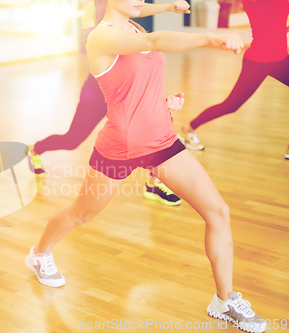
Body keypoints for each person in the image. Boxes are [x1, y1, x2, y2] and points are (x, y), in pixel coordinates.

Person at [25, 0, 266, 331]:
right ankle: (39, 254)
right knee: (83, 213)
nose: (141, 0)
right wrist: (210, 37)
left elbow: (135, 82)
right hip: (119, 148)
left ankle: (224, 301)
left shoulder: (133, 24)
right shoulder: (101, 37)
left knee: (219, 212)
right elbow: (153, 43)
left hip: (162, 142)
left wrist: (162, 103)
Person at [28, 0, 191, 206]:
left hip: (128, 81)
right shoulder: (93, 9)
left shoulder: (124, 8)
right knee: (73, 140)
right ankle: (35, 149)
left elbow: (137, 9)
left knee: (152, 127)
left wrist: (167, 7)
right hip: (100, 88)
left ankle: (154, 183)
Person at [178, 0, 289, 154]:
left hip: (281, 59)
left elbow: (275, 25)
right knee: (231, 105)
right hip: (258, 61)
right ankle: (190, 127)